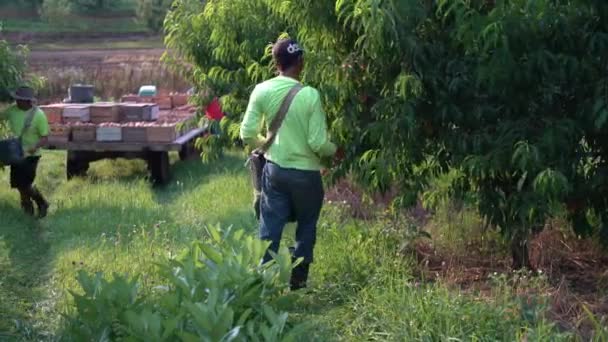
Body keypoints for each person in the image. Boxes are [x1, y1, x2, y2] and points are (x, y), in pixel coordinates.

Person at [240, 38, 339, 290]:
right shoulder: (310, 95)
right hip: (306, 176)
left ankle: (264, 281)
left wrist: (266, 146)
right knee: (306, 225)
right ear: (301, 62)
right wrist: (335, 151)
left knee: (270, 225)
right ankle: (298, 280)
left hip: (275, 172)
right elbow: (318, 143)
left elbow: (246, 133)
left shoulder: (261, 90)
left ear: (276, 63)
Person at [0, 86, 50, 218]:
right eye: (16, 99)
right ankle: (28, 211)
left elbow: (45, 137)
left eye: (20, 100)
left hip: (31, 155)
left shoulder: (38, 115)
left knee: (25, 184)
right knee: (18, 184)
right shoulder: (12, 110)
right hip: (15, 153)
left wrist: (34, 146)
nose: (17, 102)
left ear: (28, 101)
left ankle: (41, 202)